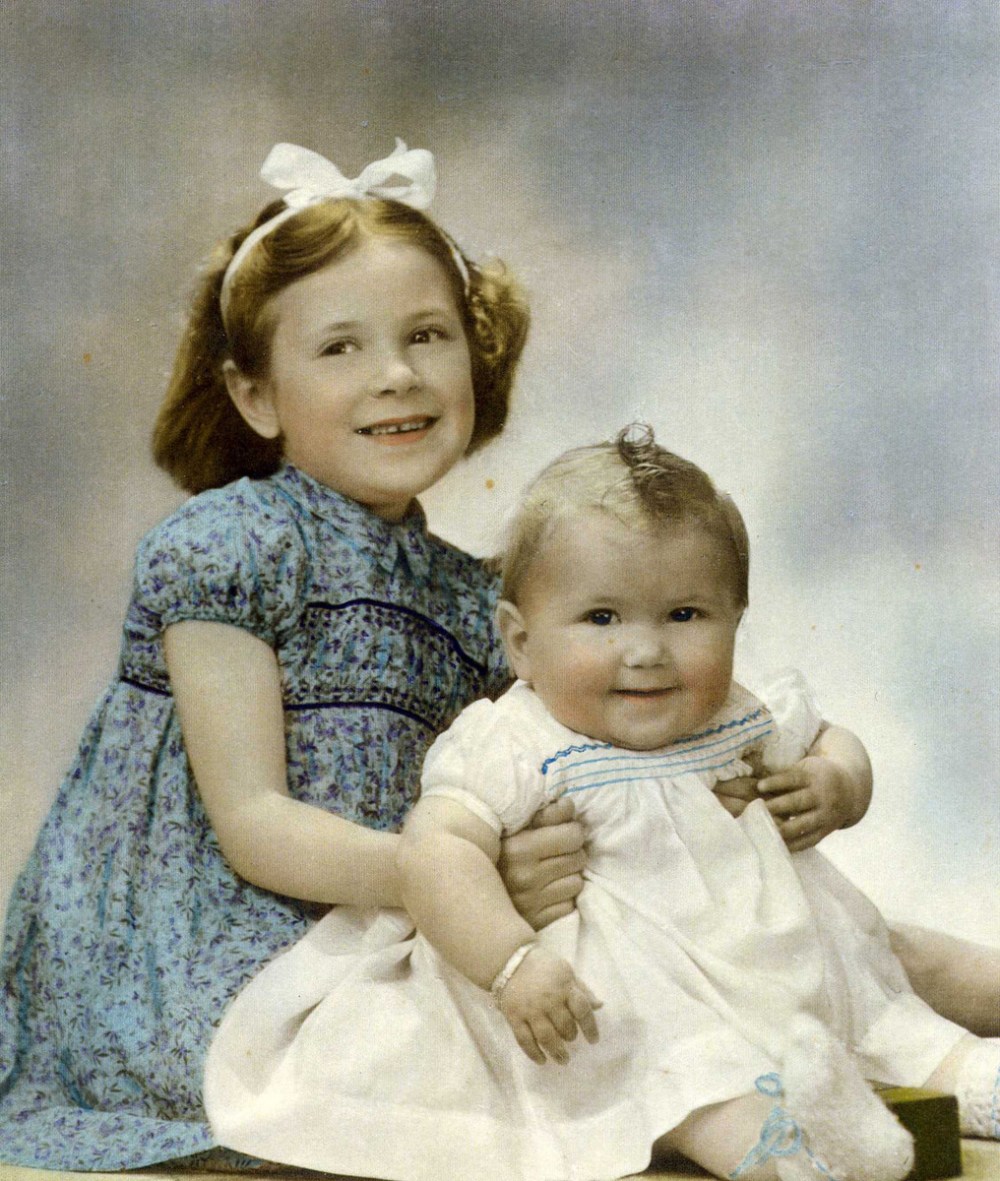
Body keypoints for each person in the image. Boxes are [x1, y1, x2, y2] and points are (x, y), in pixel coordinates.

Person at [0, 140, 584, 1169]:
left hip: (388, 914)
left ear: (475, 361)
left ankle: (935, 1022)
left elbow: (542, 765)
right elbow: (255, 826)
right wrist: (463, 875)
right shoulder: (231, 547)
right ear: (256, 394)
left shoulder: (470, 592)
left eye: (426, 336)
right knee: (409, 1087)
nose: (396, 374)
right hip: (196, 947)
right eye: (339, 349)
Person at [205, 428, 1000, 1181]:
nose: (646, 649)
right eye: (602, 618)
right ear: (520, 641)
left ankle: (971, 1080)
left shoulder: (735, 714)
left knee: (877, 997)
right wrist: (512, 961)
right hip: (623, 986)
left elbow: (834, 739)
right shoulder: (518, 741)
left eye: (685, 615)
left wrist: (838, 782)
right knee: (686, 1074)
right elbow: (434, 850)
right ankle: (798, 1150)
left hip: (768, 947)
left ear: (734, 620)